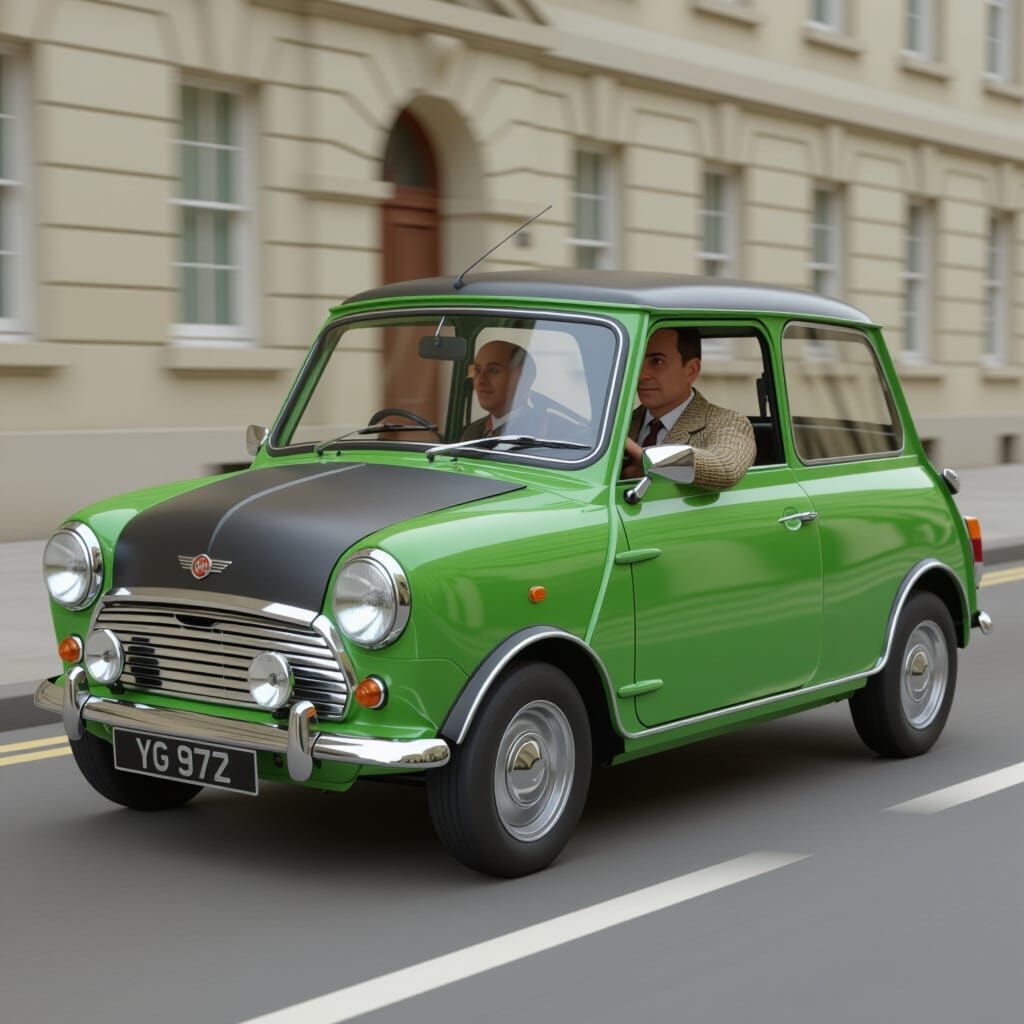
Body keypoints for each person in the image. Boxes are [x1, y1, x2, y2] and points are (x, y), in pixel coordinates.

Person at [622, 327, 755, 490]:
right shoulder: (621, 424)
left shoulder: (728, 423)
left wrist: (646, 460)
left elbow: (726, 467)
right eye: (637, 361)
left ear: (691, 370)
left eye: (657, 362)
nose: (642, 375)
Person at [461, 339, 536, 440]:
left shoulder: (542, 434)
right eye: (477, 370)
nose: (481, 380)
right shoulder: (472, 432)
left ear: (522, 378)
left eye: (493, 370)